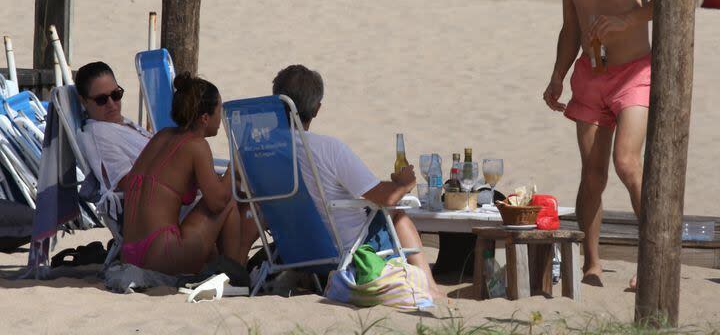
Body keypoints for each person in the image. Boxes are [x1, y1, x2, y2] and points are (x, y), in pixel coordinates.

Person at [529, 0, 656, 289]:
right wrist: (557, 75)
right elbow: (571, 26)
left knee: (628, 165)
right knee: (593, 174)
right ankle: (592, 264)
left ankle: (652, 260)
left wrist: (629, 21)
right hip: (590, 75)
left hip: (635, 72)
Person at [271, 64, 444, 299]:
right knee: (398, 214)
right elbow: (387, 198)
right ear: (317, 109)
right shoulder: (328, 149)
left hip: (294, 250)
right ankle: (432, 288)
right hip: (343, 249)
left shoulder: (262, 152)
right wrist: (404, 183)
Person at [121, 73, 258, 274]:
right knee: (227, 203)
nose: (221, 117)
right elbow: (217, 202)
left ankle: (232, 267)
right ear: (204, 118)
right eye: (219, 109)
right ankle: (234, 273)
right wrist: (233, 167)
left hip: (130, 253)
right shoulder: (196, 145)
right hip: (162, 254)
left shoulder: (162, 136)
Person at [75, 61, 151, 193]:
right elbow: (127, 183)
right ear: (84, 101)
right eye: (101, 100)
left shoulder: (117, 124)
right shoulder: (99, 134)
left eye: (116, 95)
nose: (111, 104)